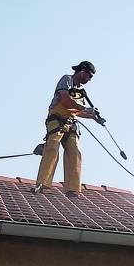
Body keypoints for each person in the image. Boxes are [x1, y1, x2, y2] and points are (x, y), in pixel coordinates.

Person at [32, 61, 105, 197]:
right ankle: (42, 183)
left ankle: (72, 189)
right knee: (53, 147)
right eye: (89, 76)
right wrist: (85, 108)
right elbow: (65, 100)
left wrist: (93, 117)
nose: (89, 80)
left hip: (70, 123)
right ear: (82, 71)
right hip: (56, 119)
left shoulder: (81, 92)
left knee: (74, 152)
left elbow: (76, 111)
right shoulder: (67, 80)